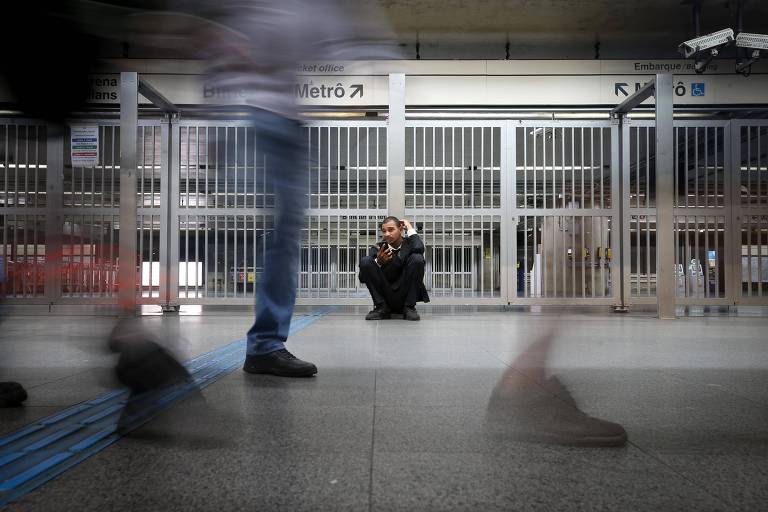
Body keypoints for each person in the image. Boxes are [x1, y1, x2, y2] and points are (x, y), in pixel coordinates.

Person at [359, 216, 430, 321]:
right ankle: (381, 308)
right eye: (384, 231)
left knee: (417, 258)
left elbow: (419, 248)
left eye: (391, 229)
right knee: (366, 260)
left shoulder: (411, 245)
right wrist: (378, 263)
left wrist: (409, 227)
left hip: (405, 294)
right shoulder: (379, 248)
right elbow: (362, 277)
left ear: (401, 228)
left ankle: (409, 307)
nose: (387, 234)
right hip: (385, 297)